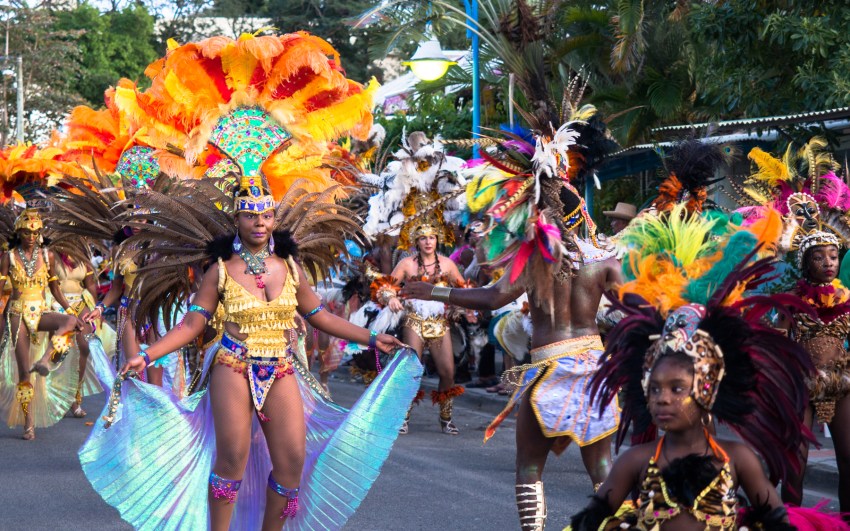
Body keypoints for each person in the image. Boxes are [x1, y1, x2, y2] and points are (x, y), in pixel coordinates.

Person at [77, 32, 422, 530]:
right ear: (237, 221)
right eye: (251, 217)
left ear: (274, 219)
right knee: (232, 460)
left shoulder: (291, 266)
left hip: (280, 364)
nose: (260, 223)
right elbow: (195, 324)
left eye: (266, 216)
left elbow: (318, 315)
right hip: (233, 363)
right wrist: (148, 355)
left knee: (292, 462)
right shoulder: (220, 270)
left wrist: (373, 338)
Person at [403, 106, 621, 528]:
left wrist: (434, 290)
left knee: (529, 469)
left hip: (548, 369)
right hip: (595, 370)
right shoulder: (605, 262)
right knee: (603, 470)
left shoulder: (535, 259)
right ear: (583, 216)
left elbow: (491, 297)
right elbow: (641, 309)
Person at [570, 213, 846, 530]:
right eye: (655, 389)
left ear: (707, 388)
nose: (661, 399)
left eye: (677, 388)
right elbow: (588, 523)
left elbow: (776, 522)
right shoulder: (634, 462)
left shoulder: (738, 459)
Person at [0, 209, 85, 439]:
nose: (31, 236)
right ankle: (28, 424)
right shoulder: (7, 258)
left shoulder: (48, 256)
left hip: (41, 311)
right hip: (17, 314)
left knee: (69, 322)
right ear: (19, 232)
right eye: (27, 231)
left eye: (35, 232)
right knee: (24, 374)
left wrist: (70, 310)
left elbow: (55, 288)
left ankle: (46, 359)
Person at [782, 229, 850, 512]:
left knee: (848, 457)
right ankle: (790, 519)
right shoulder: (792, 299)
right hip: (803, 383)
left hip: (842, 383)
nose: (828, 263)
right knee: (796, 458)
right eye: (819, 257)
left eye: (833, 256)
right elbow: (777, 340)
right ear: (806, 263)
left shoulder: (847, 297)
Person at [385, 222, 466, 435]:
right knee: (412, 370)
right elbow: (385, 287)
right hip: (414, 321)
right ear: (417, 242)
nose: (428, 242)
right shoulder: (406, 264)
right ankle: (403, 417)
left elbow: (463, 291)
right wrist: (391, 297)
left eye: (432, 237)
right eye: (423, 238)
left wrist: (461, 308)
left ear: (437, 240)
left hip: (440, 322)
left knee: (448, 371)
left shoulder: (448, 265)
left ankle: (446, 418)